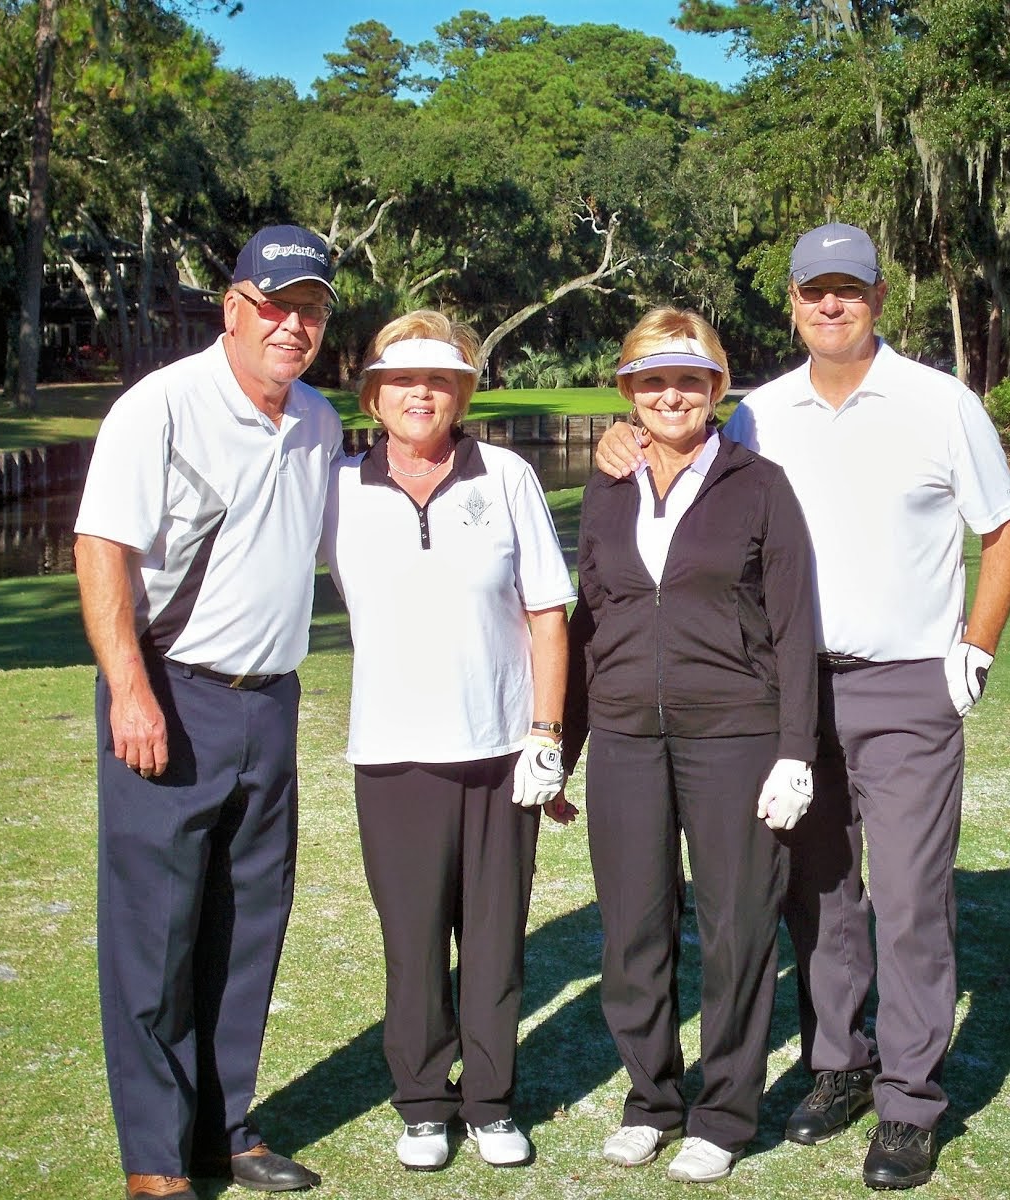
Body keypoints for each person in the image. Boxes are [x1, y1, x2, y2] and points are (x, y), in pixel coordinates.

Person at [594, 225, 1010, 1190]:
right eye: (814, 291)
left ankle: (911, 1098)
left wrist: (976, 645)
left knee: (912, 899)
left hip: (908, 681)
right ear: (791, 301)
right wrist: (617, 437)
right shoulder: (758, 413)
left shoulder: (937, 402)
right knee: (819, 892)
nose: (831, 306)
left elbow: (1004, 526)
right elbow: (684, 458)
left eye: (850, 290)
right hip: (782, 691)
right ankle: (839, 1062)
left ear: (880, 298)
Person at [74, 224, 343, 1200]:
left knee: (247, 931)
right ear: (233, 308)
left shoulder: (317, 421)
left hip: (269, 707)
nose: (292, 325)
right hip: (169, 693)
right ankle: (155, 1162)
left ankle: (223, 1131)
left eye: (309, 309)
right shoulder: (163, 408)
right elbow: (102, 546)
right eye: (275, 305)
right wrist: (130, 689)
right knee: (155, 935)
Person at [565, 308, 819, 1184]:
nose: (670, 394)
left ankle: (725, 1110)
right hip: (629, 738)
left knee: (738, 928)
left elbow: (794, 624)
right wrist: (559, 743)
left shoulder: (760, 484)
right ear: (628, 391)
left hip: (739, 735)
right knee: (633, 928)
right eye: (650, 379)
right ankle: (652, 1100)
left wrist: (797, 748)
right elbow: (589, 618)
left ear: (716, 388)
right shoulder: (605, 484)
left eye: (688, 379)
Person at [320, 310, 576, 1172]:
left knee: (497, 938)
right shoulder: (337, 489)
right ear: (375, 396)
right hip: (391, 753)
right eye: (401, 381)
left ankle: (490, 1100)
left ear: (461, 392)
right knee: (414, 942)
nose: (420, 394)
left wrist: (546, 733)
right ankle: (425, 1102)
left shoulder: (504, 476)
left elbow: (548, 614)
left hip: (502, 749)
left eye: (438, 379)